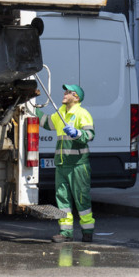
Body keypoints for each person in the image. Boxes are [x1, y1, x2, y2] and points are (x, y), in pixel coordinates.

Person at [36, 83, 96, 243]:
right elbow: (46, 123)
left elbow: (90, 135)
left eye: (68, 92)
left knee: (81, 198)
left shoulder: (83, 114)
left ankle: (88, 231)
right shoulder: (60, 113)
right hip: (62, 165)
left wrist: (78, 133)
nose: (64, 93)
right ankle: (65, 232)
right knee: (62, 200)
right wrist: (32, 108)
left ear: (76, 97)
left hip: (78, 165)